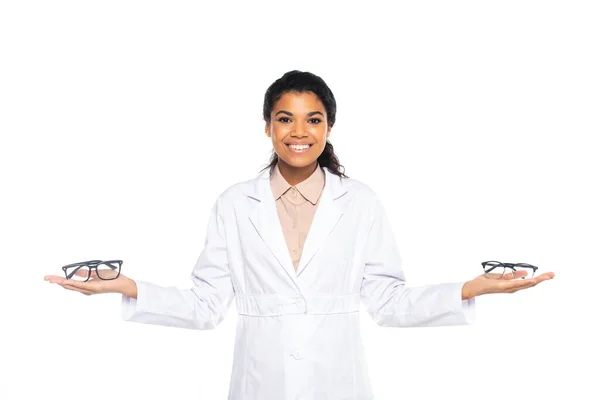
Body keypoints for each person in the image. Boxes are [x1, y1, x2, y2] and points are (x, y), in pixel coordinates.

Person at [44, 70, 555, 400]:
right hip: (258, 383)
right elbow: (205, 306)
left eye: (313, 119)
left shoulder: (360, 202)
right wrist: (124, 286)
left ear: (329, 127)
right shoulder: (233, 203)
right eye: (285, 118)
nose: (299, 131)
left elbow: (388, 302)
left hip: (339, 382)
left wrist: (473, 289)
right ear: (267, 126)